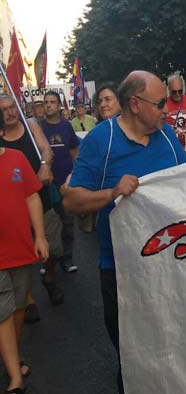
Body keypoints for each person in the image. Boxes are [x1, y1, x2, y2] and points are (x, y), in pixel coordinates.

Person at [63, 71, 186, 393]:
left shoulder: (166, 135)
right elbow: (72, 201)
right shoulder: (101, 141)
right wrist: (112, 193)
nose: (166, 109)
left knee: (175, 349)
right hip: (121, 272)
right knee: (134, 358)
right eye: (160, 103)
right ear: (135, 103)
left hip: (169, 265)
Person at [0, 108, 50, 394]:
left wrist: (40, 237)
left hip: (20, 249)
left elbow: (32, 197)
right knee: (3, 311)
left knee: (18, 307)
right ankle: (14, 377)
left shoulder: (17, 159)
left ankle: (13, 355)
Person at [0, 93, 59, 317]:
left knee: (51, 247)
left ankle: (49, 277)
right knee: (21, 255)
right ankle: (28, 297)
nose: (10, 112)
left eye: (12, 107)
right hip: (14, 205)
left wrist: (44, 166)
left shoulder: (31, 125)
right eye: (4, 110)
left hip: (39, 195)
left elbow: (46, 149)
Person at [40, 91, 80, 274]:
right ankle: (48, 262)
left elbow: (74, 152)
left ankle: (67, 259)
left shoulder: (66, 126)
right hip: (46, 185)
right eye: (46, 102)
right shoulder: (38, 128)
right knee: (48, 225)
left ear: (58, 106)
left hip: (65, 183)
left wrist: (76, 175)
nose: (48, 105)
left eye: (52, 102)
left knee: (67, 223)